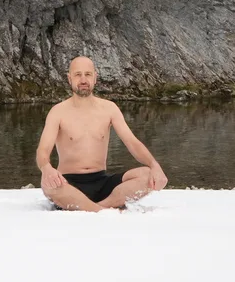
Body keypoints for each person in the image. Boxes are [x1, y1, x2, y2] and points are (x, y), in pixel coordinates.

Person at [36, 56, 169, 211]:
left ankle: (97, 208)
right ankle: (102, 211)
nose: (83, 80)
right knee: (48, 185)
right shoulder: (58, 112)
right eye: (78, 75)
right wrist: (46, 168)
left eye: (88, 74)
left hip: (102, 182)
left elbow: (132, 143)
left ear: (95, 77)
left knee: (147, 174)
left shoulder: (109, 108)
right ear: (69, 78)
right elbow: (43, 150)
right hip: (69, 183)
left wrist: (155, 165)